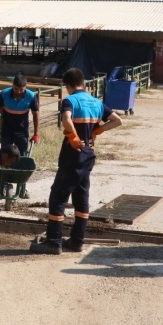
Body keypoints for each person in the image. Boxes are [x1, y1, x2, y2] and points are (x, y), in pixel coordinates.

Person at [30, 68, 122, 255]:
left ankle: (53, 242)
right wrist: (97, 131)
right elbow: (117, 120)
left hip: (72, 156)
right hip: (88, 156)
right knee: (81, 199)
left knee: (58, 198)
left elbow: (66, 119)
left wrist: (72, 135)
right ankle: (77, 241)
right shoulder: (97, 102)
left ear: (68, 86)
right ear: (84, 84)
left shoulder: (70, 100)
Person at [0, 73, 40, 156]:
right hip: (7, 131)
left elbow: (36, 115)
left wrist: (36, 134)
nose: (18, 91)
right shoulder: (4, 94)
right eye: (16, 88)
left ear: (25, 86)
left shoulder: (31, 96)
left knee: (22, 157)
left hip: (22, 132)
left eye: (21, 89)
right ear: (12, 85)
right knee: (5, 156)